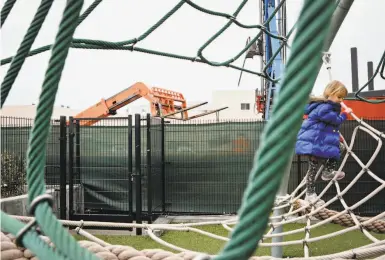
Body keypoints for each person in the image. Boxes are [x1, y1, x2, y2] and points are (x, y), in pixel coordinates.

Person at [295, 80, 353, 205]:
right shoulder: (325, 107)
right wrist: (345, 114)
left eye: (342, 98)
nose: (341, 100)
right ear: (330, 94)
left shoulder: (326, 106)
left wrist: (335, 136)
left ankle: (327, 172)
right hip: (313, 141)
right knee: (313, 168)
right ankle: (310, 193)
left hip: (318, 139)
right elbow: (335, 120)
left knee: (340, 147)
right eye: (339, 97)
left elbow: (326, 126)